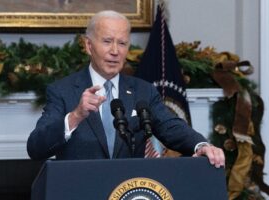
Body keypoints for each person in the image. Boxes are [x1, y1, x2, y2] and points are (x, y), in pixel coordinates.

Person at [27, 10, 225, 168]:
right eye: (107, 41)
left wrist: (203, 145)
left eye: (122, 43)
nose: (115, 51)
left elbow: (171, 126)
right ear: (88, 46)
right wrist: (76, 116)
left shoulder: (143, 91)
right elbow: (36, 148)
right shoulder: (63, 91)